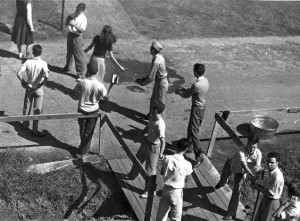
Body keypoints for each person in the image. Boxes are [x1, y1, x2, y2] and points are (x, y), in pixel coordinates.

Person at [123, 100, 166, 199]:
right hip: (146, 142)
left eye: (153, 107)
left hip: (154, 147)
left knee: (150, 169)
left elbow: (163, 141)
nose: (151, 108)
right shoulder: (151, 117)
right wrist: (139, 134)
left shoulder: (160, 124)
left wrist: (161, 153)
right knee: (138, 158)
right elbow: (148, 127)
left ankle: (149, 190)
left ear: (156, 110)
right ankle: (132, 175)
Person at [215, 136, 262, 220]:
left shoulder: (258, 154)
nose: (252, 148)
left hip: (240, 173)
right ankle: (223, 181)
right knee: (222, 179)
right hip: (231, 164)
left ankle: (231, 214)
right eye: (250, 146)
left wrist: (258, 171)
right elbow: (244, 165)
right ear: (247, 144)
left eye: (254, 147)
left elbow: (257, 166)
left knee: (236, 191)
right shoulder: (241, 150)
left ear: (257, 146)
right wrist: (251, 175)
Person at [175, 63, 209, 167]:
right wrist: (185, 88)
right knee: (191, 128)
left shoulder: (197, 85)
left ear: (195, 72)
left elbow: (187, 94)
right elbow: (194, 91)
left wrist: (179, 92)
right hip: (201, 108)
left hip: (196, 109)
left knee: (194, 132)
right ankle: (188, 148)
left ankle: (199, 157)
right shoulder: (205, 81)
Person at [74, 62, 109, 156]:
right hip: (93, 111)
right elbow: (107, 97)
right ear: (97, 72)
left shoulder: (82, 82)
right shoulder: (100, 85)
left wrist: (80, 81)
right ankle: (84, 150)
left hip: (82, 109)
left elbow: (74, 93)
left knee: (82, 129)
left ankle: (82, 148)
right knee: (89, 132)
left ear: (87, 70)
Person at [156, 138, 193, 221]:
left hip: (166, 189)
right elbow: (186, 180)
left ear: (177, 146)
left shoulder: (167, 158)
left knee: (161, 215)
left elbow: (162, 172)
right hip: (177, 191)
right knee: (176, 217)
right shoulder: (187, 164)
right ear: (186, 149)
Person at [16, 44, 49, 137]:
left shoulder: (27, 62)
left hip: (29, 88)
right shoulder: (43, 63)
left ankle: (25, 125)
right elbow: (46, 76)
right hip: (38, 89)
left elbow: (18, 74)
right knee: (37, 110)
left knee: (27, 107)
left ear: (33, 52)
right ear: (41, 53)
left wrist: (23, 81)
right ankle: (35, 130)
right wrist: (41, 83)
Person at [136, 41, 168, 119]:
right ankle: (151, 116)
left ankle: (160, 122)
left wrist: (142, 82)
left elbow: (151, 77)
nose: (149, 49)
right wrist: (143, 79)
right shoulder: (159, 57)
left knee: (160, 104)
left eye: (151, 48)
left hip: (161, 84)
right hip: (159, 82)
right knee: (153, 101)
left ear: (153, 50)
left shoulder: (156, 61)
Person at [253, 151, 285, 221]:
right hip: (265, 199)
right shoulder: (269, 171)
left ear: (277, 163)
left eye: (272, 162)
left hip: (272, 202)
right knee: (259, 218)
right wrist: (256, 182)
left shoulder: (277, 177)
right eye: (268, 161)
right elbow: (265, 183)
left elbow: (270, 193)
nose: (269, 164)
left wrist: (257, 187)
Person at [62, 3, 87, 79]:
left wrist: (73, 25)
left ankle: (80, 74)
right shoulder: (73, 14)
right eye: (76, 9)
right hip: (70, 35)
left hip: (77, 37)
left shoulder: (83, 19)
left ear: (82, 10)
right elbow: (67, 21)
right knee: (69, 52)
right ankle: (68, 67)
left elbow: (82, 30)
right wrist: (68, 25)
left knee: (78, 55)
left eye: (78, 10)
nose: (77, 11)